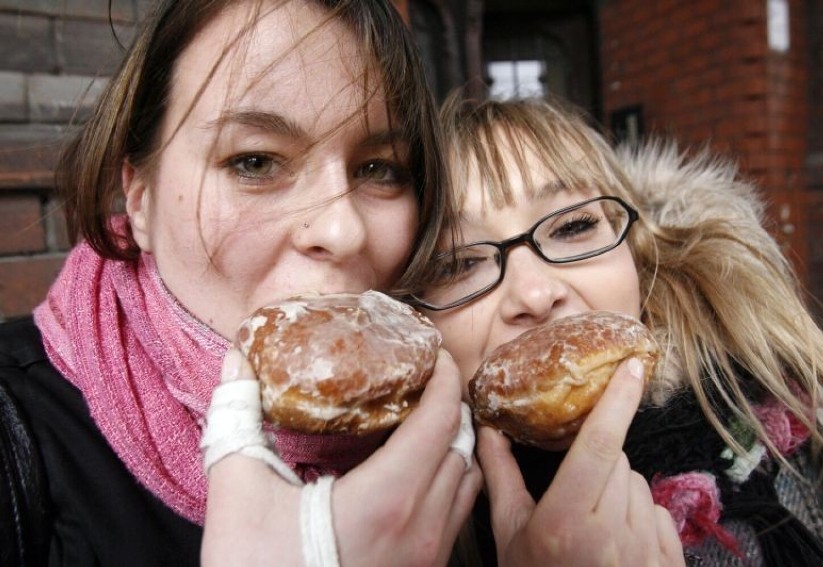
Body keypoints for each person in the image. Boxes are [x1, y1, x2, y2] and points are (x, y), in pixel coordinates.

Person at [0, 1, 481, 566]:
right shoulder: (17, 430)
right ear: (141, 199)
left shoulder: (469, 430)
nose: (342, 229)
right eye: (254, 161)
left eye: (380, 169)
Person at [410, 95, 823, 566]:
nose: (536, 295)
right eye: (460, 263)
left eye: (573, 226)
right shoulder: (394, 535)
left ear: (637, 252)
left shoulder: (815, 417)